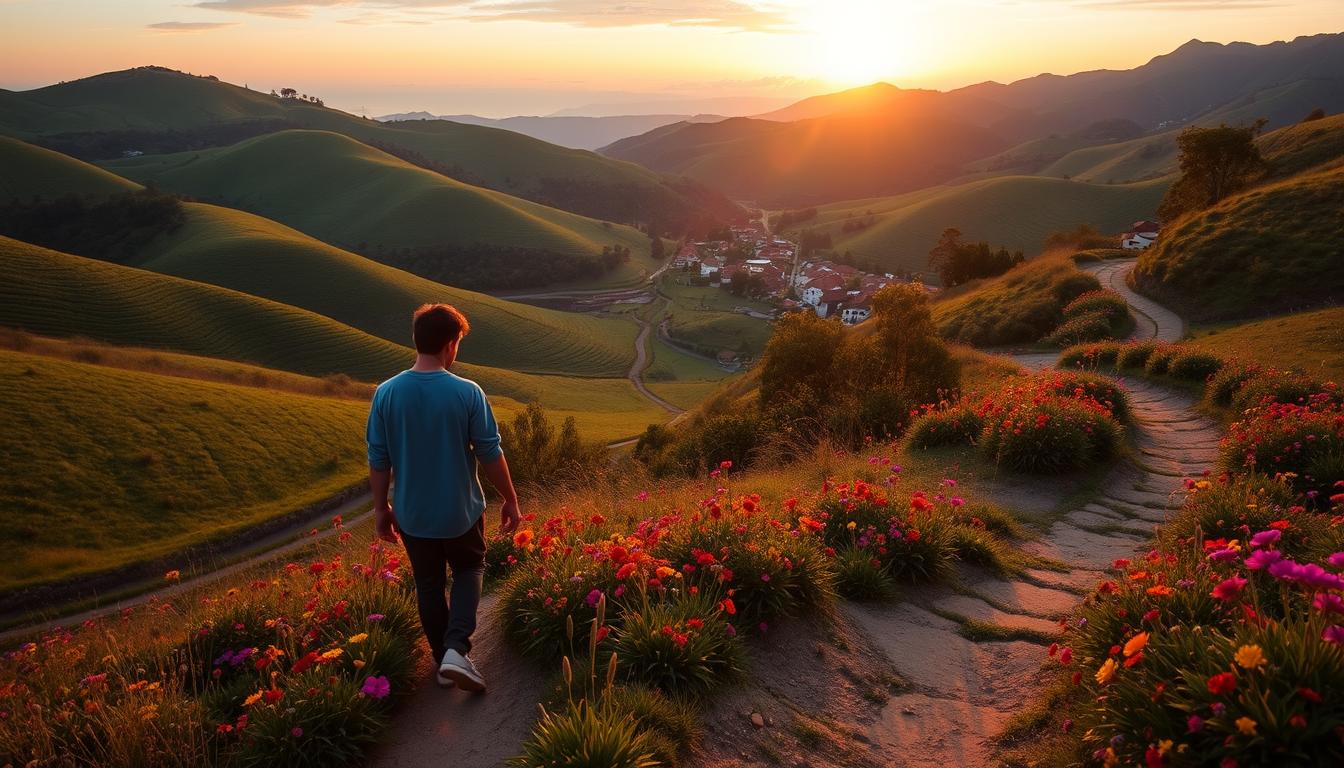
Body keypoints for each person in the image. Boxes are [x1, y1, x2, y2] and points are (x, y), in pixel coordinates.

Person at [366, 303, 521, 693]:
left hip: (412, 515)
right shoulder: (467, 392)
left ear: (417, 340)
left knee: (428, 584)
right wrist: (510, 499)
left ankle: (444, 660)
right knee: (469, 570)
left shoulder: (386, 394)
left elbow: (378, 459)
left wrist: (381, 507)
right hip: (460, 511)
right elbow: (490, 452)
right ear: (450, 345)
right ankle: (456, 649)